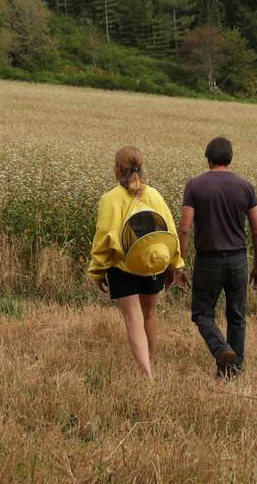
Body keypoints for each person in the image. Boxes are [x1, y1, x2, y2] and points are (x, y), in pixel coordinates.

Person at [88, 146, 189, 379]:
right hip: (154, 264)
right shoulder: (154, 195)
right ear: (142, 168)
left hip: (122, 267)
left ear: (117, 169)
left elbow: (103, 238)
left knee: (133, 318)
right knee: (150, 313)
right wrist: (176, 264)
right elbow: (170, 232)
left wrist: (97, 271)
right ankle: (149, 362)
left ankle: (146, 374)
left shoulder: (110, 199)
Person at [178, 136, 257, 378]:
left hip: (208, 261)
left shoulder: (195, 185)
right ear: (230, 159)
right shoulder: (246, 186)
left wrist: (180, 264)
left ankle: (222, 349)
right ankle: (233, 372)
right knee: (237, 315)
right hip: (238, 259)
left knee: (202, 313)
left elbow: (185, 228)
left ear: (208, 159)